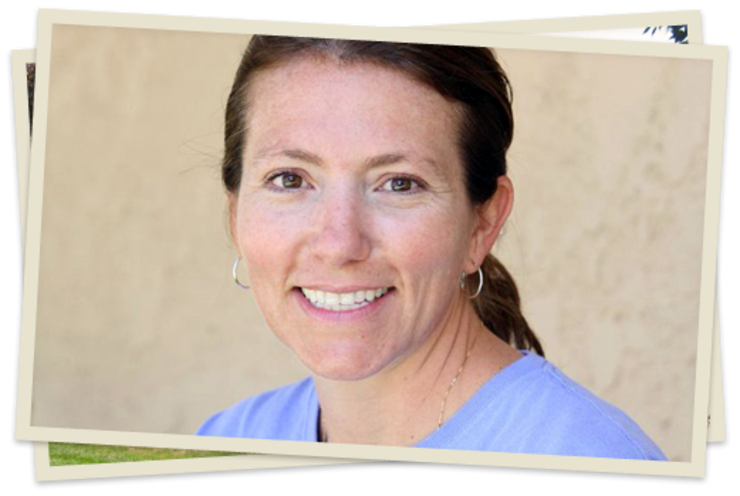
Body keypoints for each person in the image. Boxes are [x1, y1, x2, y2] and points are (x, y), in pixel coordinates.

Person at [196, 35, 667, 460]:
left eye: (399, 184)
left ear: (483, 223)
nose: (339, 245)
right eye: (289, 179)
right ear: (235, 214)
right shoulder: (226, 438)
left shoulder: (590, 454)